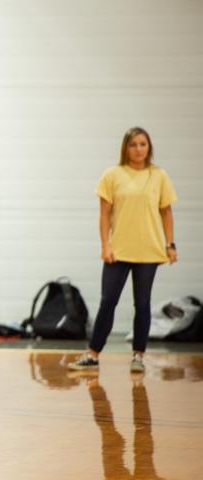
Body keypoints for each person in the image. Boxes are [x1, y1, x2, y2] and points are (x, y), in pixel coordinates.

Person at [68, 127, 177, 373]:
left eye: (143, 144)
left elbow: (166, 212)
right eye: (133, 144)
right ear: (125, 148)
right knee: (108, 302)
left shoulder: (159, 176)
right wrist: (105, 244)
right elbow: (104, 214)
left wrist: (170, 244)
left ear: (149, 147)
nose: (138, 149)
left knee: (143, 303)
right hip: (118, 251)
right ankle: (93, 354)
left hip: (149, 252)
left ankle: (138, 355)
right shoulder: (112, 175)